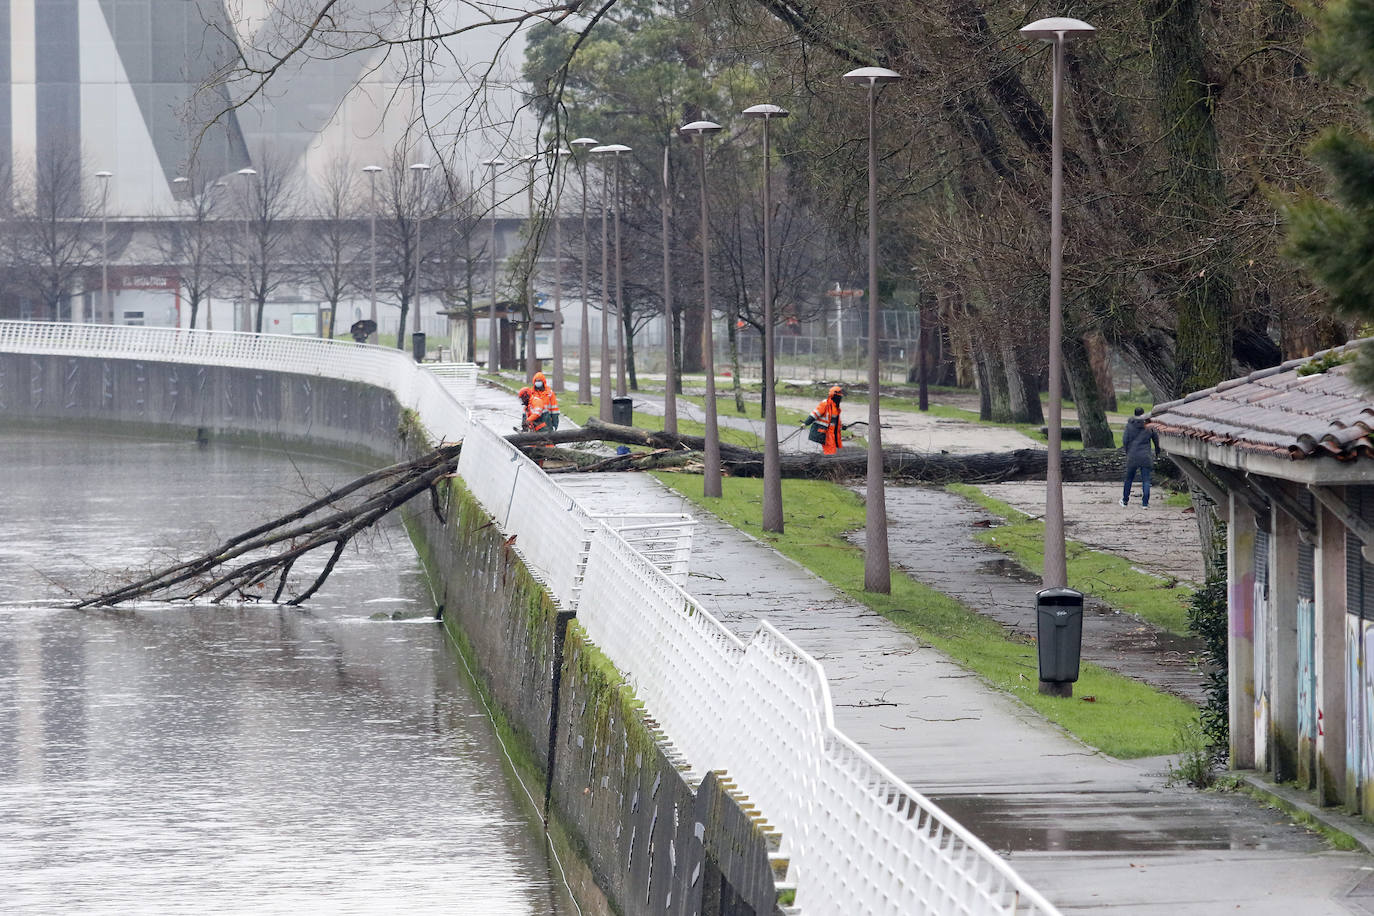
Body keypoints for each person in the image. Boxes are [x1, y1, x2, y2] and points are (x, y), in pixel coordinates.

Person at [1121, 406, 1160, 508]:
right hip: (1145, 456)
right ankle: (1145, 503)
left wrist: (1127, 452)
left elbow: (1125, 440)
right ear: (1144, 414)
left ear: (1135, 414)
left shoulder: (1129, 425)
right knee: (1146, 480)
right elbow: (1156, 439)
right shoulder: (1149, 426)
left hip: (1132, 456)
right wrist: (1157, 451)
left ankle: (1125, 501)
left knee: (1129, 479)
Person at [803, 385, 845, 455]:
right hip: (824, 432)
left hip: (831, 433)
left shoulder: (836, 407)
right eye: (839, 396)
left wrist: (841, 427)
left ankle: (828, 462)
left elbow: (835, 421)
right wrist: (806, 423)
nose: (840, 398)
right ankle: (828, 463)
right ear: (833, 395)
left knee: (832, 450)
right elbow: (814, 414)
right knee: (830, 451)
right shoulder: (825, 404)